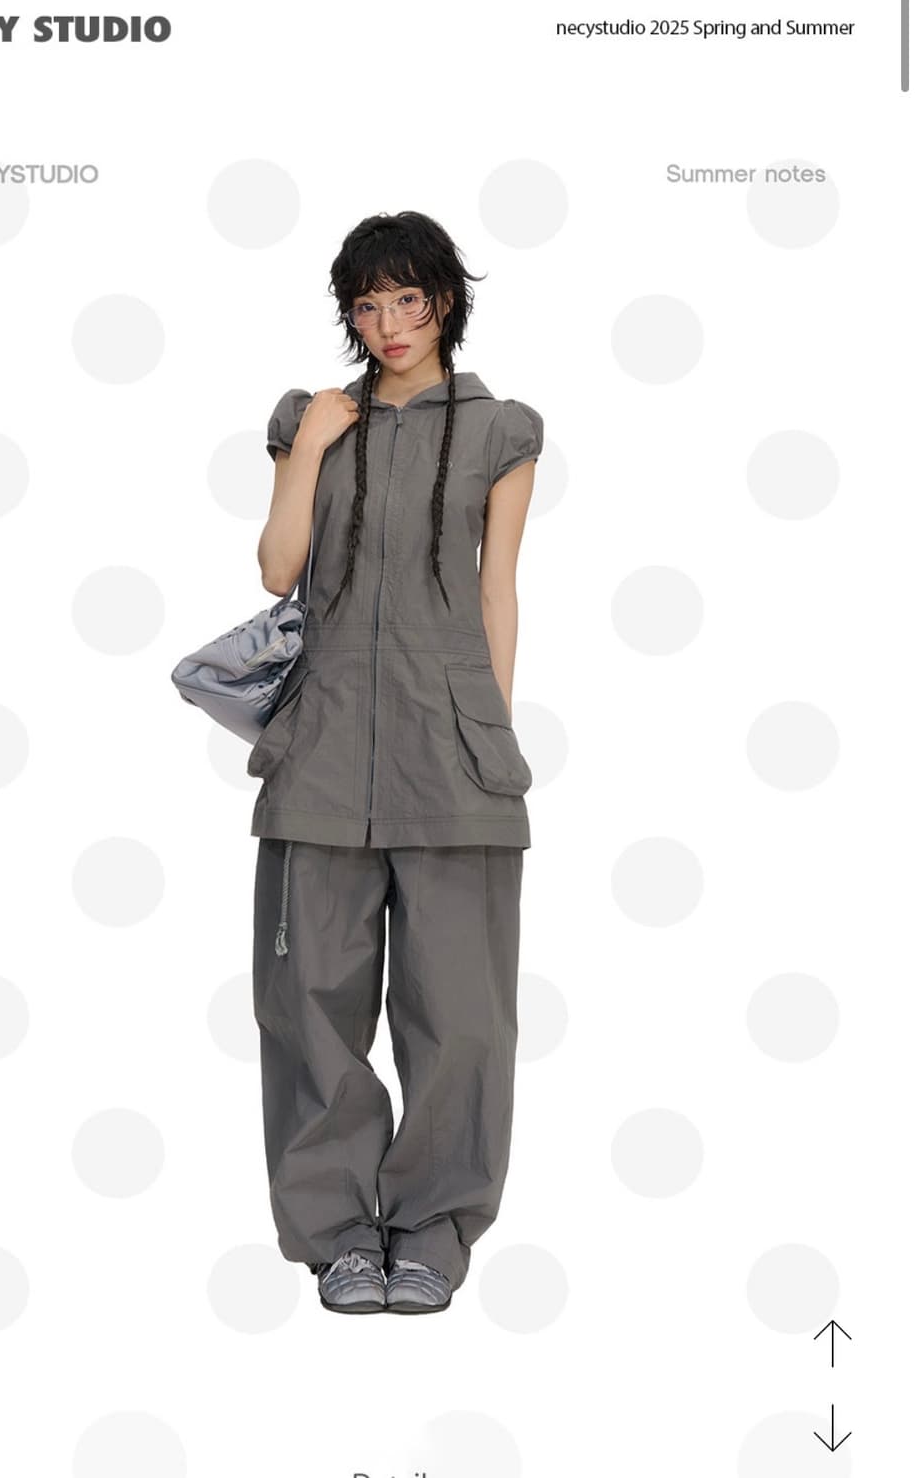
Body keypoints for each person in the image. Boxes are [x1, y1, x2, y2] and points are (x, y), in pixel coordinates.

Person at [249, 209, 543, 1314]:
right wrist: (310, 450)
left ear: (445, 301)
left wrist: (491, 735)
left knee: (461, 1013)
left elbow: (497, 590)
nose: (389, 323)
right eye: (367, 305)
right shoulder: (309, 419)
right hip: (321, 747)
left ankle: (432, 1228)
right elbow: (278, 568)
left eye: (408, 299)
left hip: (453, 746)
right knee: (308, 1004)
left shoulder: (501, 432)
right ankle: (337, 1235)